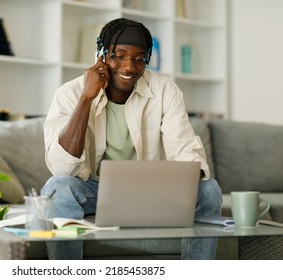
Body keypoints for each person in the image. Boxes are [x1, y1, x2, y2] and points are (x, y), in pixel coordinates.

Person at [41, 18, 222, 260]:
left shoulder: (165, 91)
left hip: (153, 191)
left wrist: (186, 181)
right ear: (101, 55)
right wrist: (86, 98)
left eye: (139, 58)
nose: (129, 67)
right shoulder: (69, 94)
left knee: (209, 190)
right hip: (95, 192)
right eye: (119, 55)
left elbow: (185, 149)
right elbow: (62, 168)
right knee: (59, 188)